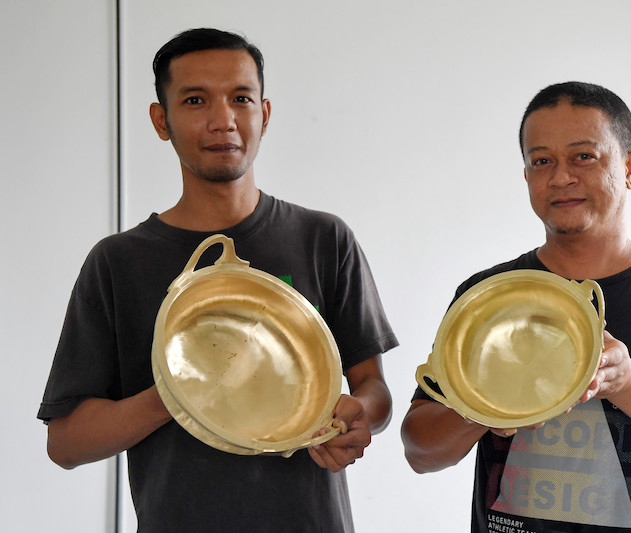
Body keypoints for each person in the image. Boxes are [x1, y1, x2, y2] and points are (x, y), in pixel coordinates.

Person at [38, 28, 398, 532]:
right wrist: (181, 391)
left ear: (264, 114)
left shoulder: (324, 238)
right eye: (195, 100)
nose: (223, 120)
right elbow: (66, 443)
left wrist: (358, 417)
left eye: (241, 98)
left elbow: (373, 388)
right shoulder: (117, 263)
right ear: (161, 121)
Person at [401, 81, 631, 532]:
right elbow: (419, 452)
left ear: (630, 168)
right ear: (527, 177)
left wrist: (627, 381)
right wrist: (478, 408)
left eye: (584, 156)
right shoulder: (487, 294)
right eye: (542, 161)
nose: (561, 177)